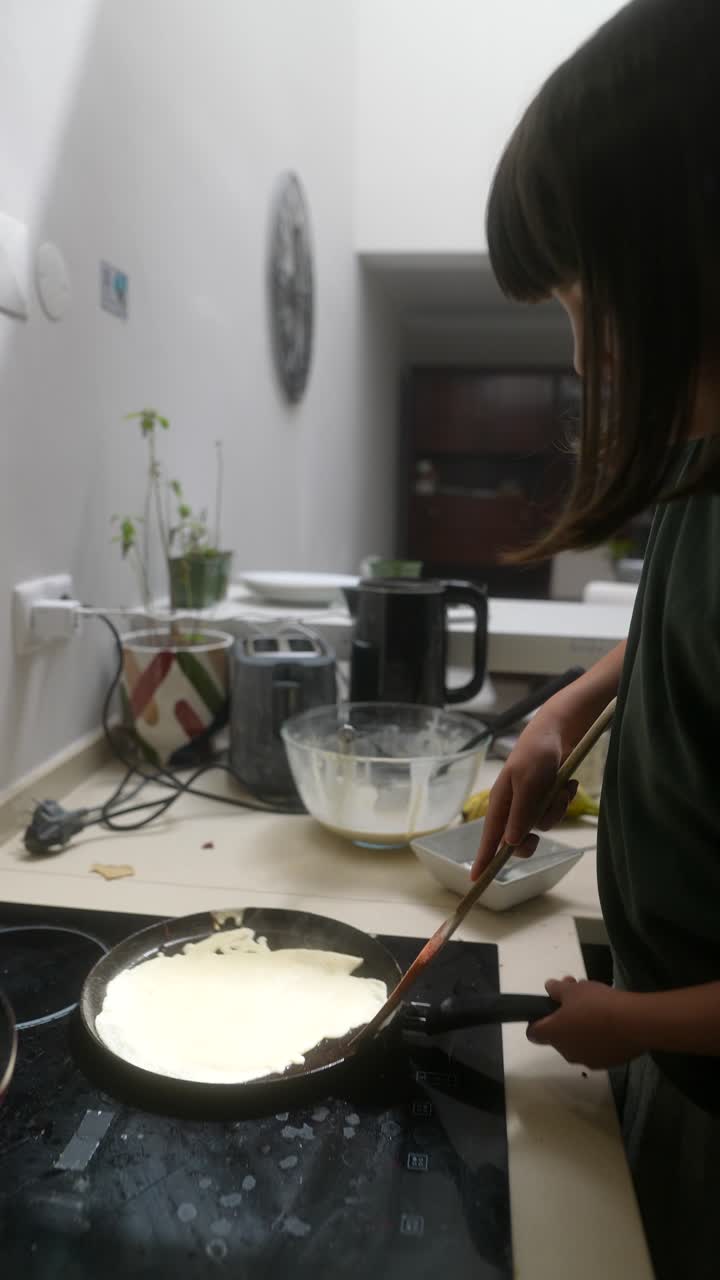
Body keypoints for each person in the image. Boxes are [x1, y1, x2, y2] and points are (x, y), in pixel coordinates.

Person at [470, 1, 720, 1275]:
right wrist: (569, 704)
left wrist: (641, 1017)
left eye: (585, 293)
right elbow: (679, 632)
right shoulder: (704, 453)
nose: (581, 349)